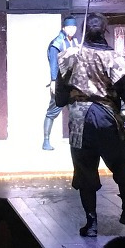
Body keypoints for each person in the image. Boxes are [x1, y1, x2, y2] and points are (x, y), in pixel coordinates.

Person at [54, 13, 125, 236]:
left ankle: (92, 223)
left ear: (83, 31)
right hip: (107, 119)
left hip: (80, 122)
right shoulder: (113, 58)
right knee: (123, 167)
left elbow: (60, 98)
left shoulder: (69, 56)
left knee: (85, 171)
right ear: (105, 31)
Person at [42, 17, 79, 151]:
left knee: (76, 111)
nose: (72, 30)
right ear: (64, 28)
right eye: (69, 27)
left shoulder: (75, 41)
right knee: (52, 111)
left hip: (73, 82)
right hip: (60, 82)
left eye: (74, 27)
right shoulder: (57, 43)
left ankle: (76, 139)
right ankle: (46, 141)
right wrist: (53, 81)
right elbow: (54, 64)